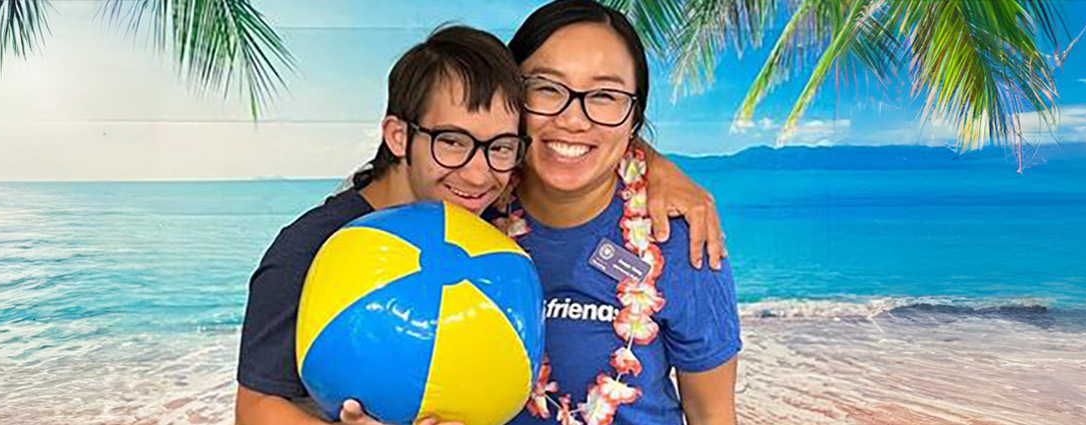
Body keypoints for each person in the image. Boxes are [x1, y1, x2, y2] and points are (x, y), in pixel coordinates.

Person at [234, 23, 727, 425]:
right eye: (452, 141)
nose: (477, 172)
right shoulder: (316, 245)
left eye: (499, 147)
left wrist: (653, 162)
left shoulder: (481, 210)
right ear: (398, 136)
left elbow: (579, 132)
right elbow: (255, 410)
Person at [500, 1, 739, 424]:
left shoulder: (682, 239)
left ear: (633, 118)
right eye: (546, 88)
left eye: (606, 96)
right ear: (510, 95)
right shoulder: (467, 213)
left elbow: (712, 415)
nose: (573, 118)